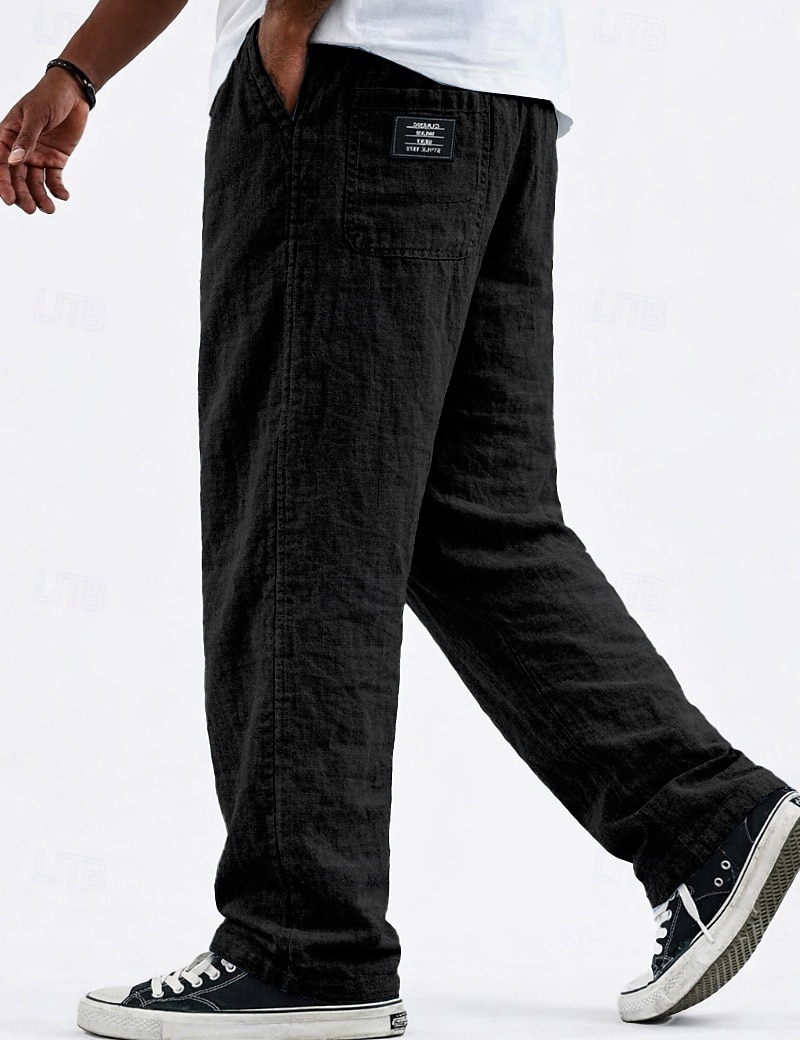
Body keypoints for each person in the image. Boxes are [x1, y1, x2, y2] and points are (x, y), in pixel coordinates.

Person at [2, 1, 798, 1037]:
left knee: (300, 519)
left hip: (356, 83)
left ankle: (303, 945)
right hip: (497, 100)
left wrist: (289, 27)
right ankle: (702, 818)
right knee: (468, 517)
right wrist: (81, 68)